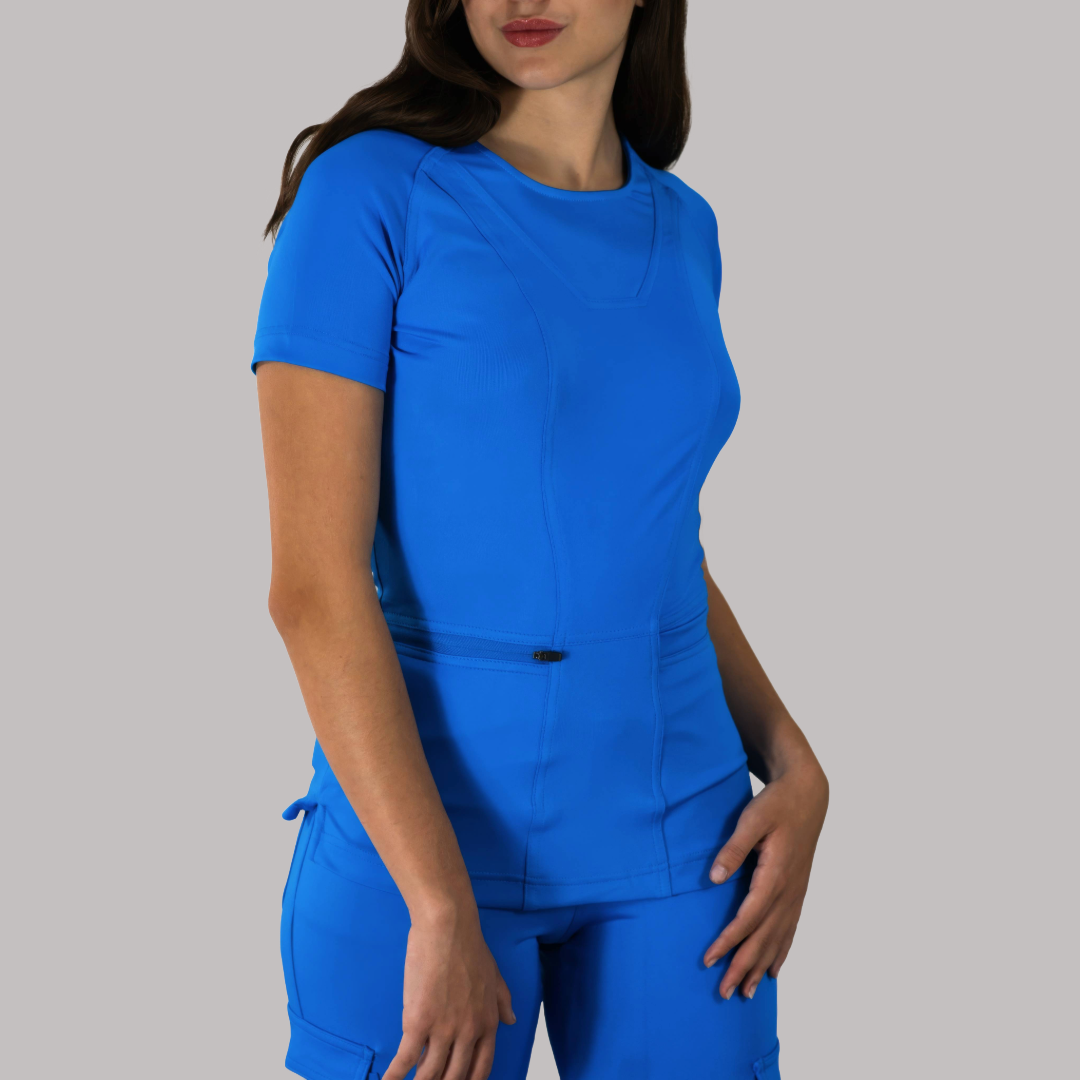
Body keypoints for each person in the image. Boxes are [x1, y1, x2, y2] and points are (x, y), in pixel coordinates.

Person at [252, 2, 828, 1078]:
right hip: (421, 846)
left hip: (686, 839)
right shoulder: (368, 192)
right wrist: (437, 903)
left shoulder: (685, 226)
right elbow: (313, 590)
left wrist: (794, 762)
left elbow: (660, 549)